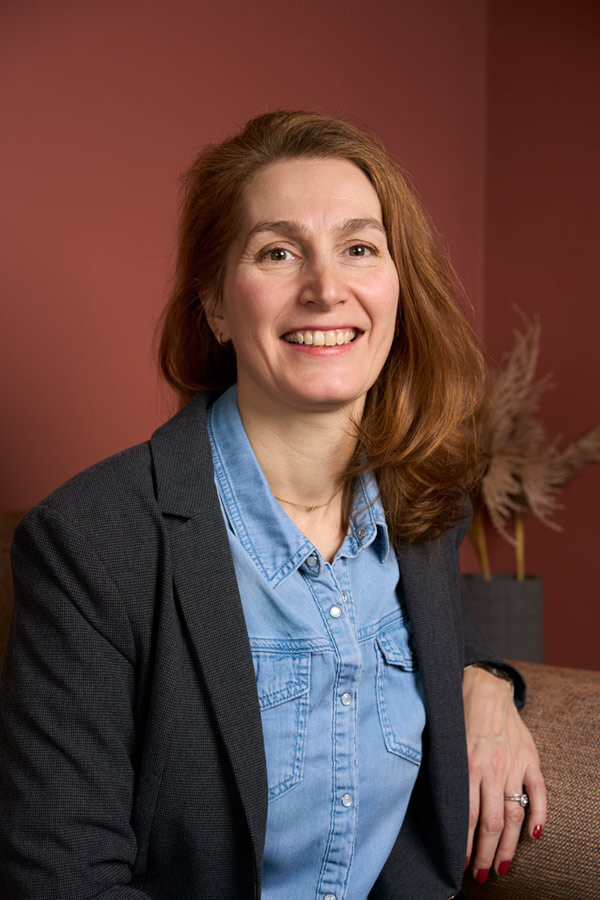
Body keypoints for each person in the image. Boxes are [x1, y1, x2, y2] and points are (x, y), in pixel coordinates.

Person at [0, 110, 546, 899]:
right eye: (279, 252)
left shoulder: (425, 509)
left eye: (359, 247)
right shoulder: (91, 542)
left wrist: (487, 682)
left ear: (398, 288)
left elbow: (452, 653)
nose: (327, 289)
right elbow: (60, 878)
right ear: (217, 306)